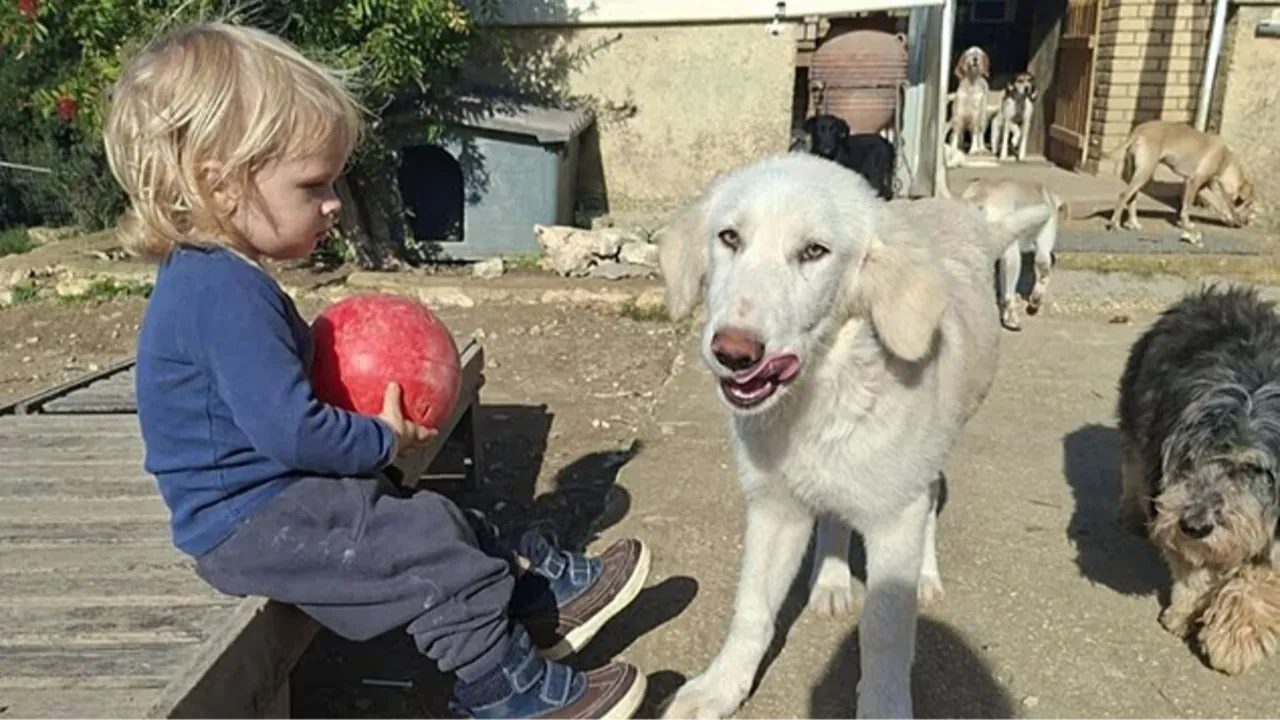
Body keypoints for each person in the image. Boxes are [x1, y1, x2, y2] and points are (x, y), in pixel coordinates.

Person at [102, 21, 650, 720]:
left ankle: (535, 603)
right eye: (313, 184)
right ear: (221, 185)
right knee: (418, 549)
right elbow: (289, 430)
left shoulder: (221, 277)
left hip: (270, 501)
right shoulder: (221, 292)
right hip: (247, 523)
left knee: (430, 514)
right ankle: (501, 689)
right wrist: (380, 440)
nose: (333, 202)